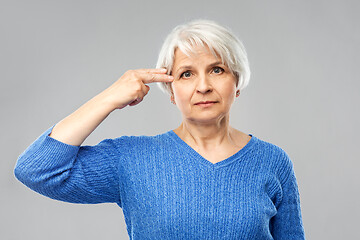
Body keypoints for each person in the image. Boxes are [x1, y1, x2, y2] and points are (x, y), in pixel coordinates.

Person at [14, 19, 305, 239]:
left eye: (217, 70)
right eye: (186, 74)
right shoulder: (132, 160)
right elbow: (36, 169)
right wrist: (109, 97)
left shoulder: (272, 161)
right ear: (170, 90)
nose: (203, 86)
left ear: (237, 83)